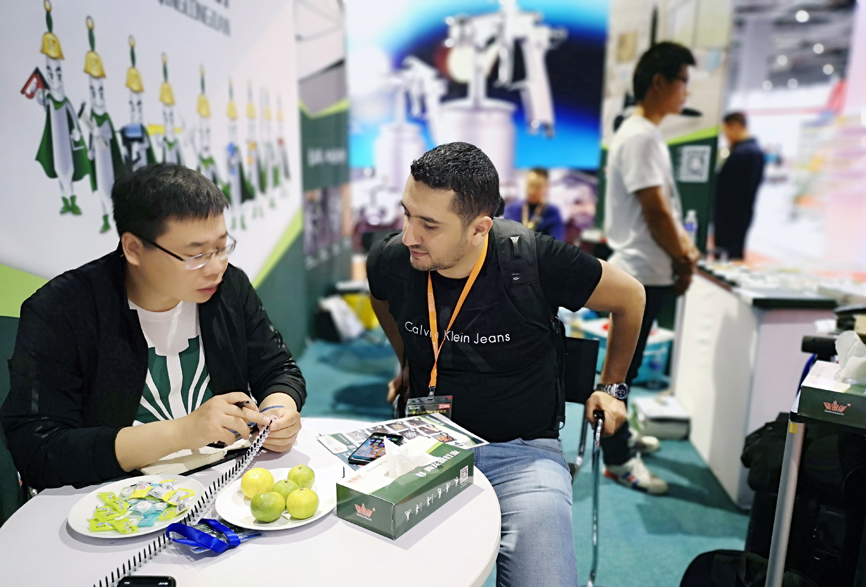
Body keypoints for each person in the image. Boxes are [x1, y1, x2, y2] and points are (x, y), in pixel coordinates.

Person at [367, 142, 645, 586]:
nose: (409, 236)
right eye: (407, 214)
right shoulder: (393, 261)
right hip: (424, 446)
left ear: (480, 227)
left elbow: (630, 297)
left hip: (523, 455)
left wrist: (612, 388)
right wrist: (408, 362)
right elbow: (382, 300)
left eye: (429, 225)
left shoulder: (534, 259)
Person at [1, 164, 305, 490]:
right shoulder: (61, 310)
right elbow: (38, 450)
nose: (217, 267)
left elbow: (277, 369)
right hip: (115, 496)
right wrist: (181, 432)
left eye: (221, 247)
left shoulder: (229, 287)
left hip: (224, 480)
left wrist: (278, 413)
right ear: (133, 249)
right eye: (196, 255)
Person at [602, 41, 701, 495]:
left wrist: (683, 253)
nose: (686, 91)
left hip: (646, 272)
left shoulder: (645, 133)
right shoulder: (640, 135)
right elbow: (656, 212)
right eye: (683, 81)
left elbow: (665, 211)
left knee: (629, 367)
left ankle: (621, 436)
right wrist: (682, 257)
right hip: (640, 273)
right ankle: (617, 458)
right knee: (619, 373)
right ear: (660, 82)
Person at [713, 111, 765, 260]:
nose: (726, 136)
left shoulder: (745, 153)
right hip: (739, 214)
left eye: (726, 131)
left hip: (732, 216)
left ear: (735, 127)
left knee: (729, 256)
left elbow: (732, 188)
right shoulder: (748, 150)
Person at [503, 167, 565, 240]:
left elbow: (556, 241)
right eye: (530, 185)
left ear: (546, 187)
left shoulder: (552, 212)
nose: (532, 191)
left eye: (538, 187)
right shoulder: (512, 209)